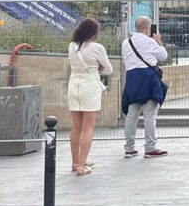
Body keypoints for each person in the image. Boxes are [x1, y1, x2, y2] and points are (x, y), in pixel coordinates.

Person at [67, 18, 112, 176]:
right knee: (88, 127)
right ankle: (81, 165)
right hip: (89, 86)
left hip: (73, 85)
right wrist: (97, 68)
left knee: (76, 126)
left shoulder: (72, 46)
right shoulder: (96, 48)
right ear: (94, 32)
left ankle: (75, 162)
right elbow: (108, 69)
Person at [121, 16, 169, 159]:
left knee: (131, 115)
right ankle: (150, 148)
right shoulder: (150, 42)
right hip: (148, 79)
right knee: (150, 115)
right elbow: (163, 56)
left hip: (132, 80)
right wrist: (158, 42)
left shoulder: (126, 42)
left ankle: (129, 148)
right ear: (148, 28)